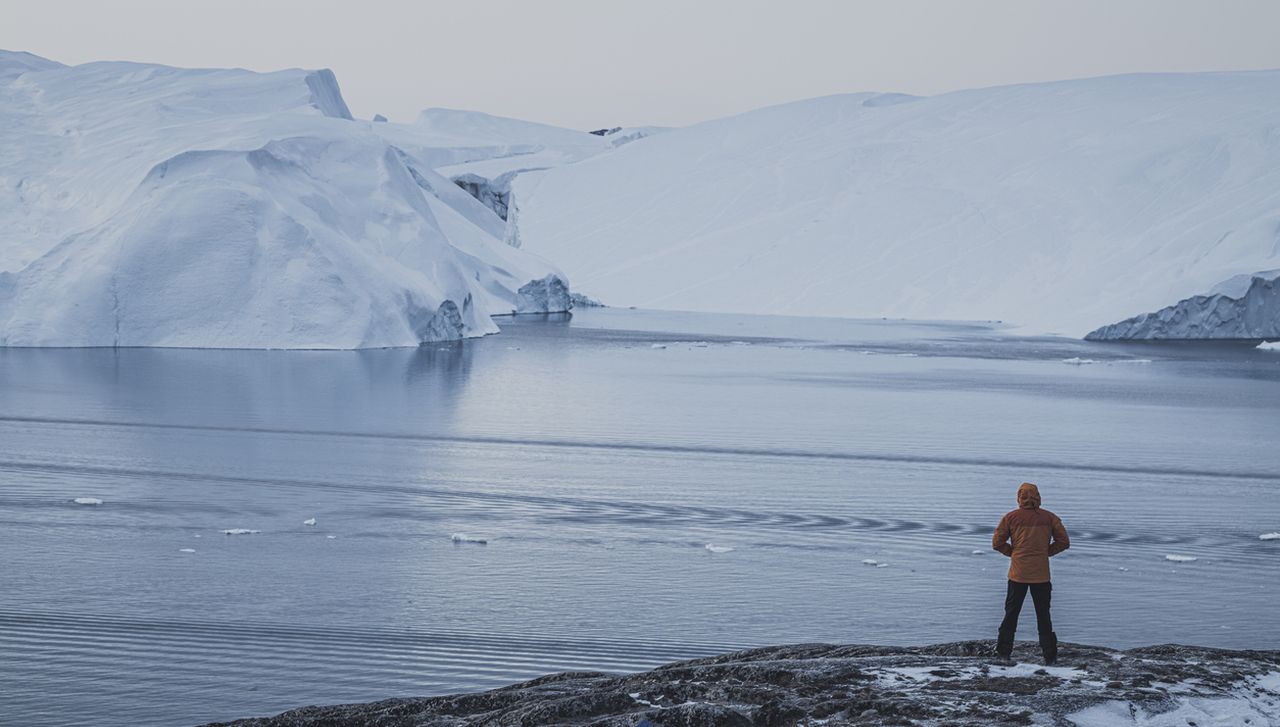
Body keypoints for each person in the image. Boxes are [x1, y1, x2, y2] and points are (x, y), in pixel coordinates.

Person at [992, 482, 1069, 664]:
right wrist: (1046, 552)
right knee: (1043, 615)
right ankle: (1050, 656)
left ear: (1019, 497)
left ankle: (1003, 653)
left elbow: (997, 543)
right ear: (1038, 497)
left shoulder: (1010, 517)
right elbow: (1064, 542)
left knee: (1011, 613)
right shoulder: (1050, 518)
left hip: (1017, 574)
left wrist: (1013, 552)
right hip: (1041, 575)